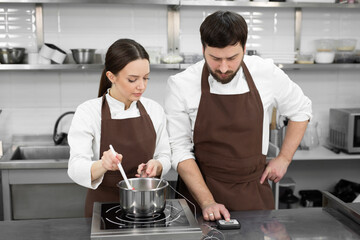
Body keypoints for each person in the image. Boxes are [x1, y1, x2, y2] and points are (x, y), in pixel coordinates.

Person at [165, 11, 312, 221]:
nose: (223, 68)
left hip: (253, 192)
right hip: (201, 193)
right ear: (203, 49)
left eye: (232, 58)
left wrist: (284, 158)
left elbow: (301, 109)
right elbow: (179, 149)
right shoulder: (181, 84)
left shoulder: (266, 73)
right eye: (214, 58)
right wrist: (207, 201)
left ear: (244, 49)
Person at [67, 38, 171, 217]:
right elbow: (75, 168)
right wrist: (103, 164)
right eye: (132, 79)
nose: (142, 86)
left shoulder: (154, 110)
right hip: (102, 208)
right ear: (111, 77)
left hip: (147, 208)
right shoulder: (88, 112)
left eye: (146, 78)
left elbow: (165, 155)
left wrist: (157, 166)